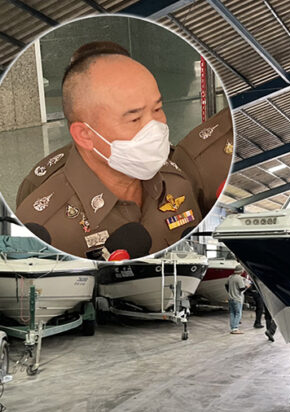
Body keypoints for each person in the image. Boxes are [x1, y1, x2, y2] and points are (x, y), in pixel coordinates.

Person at [14, 42, 233, 259]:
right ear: (85, 135)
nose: (154, 128)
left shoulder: (177, 182)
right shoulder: (45, 227)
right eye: (134, 119)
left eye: (158, 109)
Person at [227, 265, 250, 334]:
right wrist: (247, 286)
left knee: (232, 313)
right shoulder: (239, 278)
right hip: (237, 298)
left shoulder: (230, 277)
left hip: (230, 298)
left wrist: (230, 291)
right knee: (238, 313)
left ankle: (232, 328)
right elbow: (241, 288)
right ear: (241, 271)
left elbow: (226, 285)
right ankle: (235, 329)